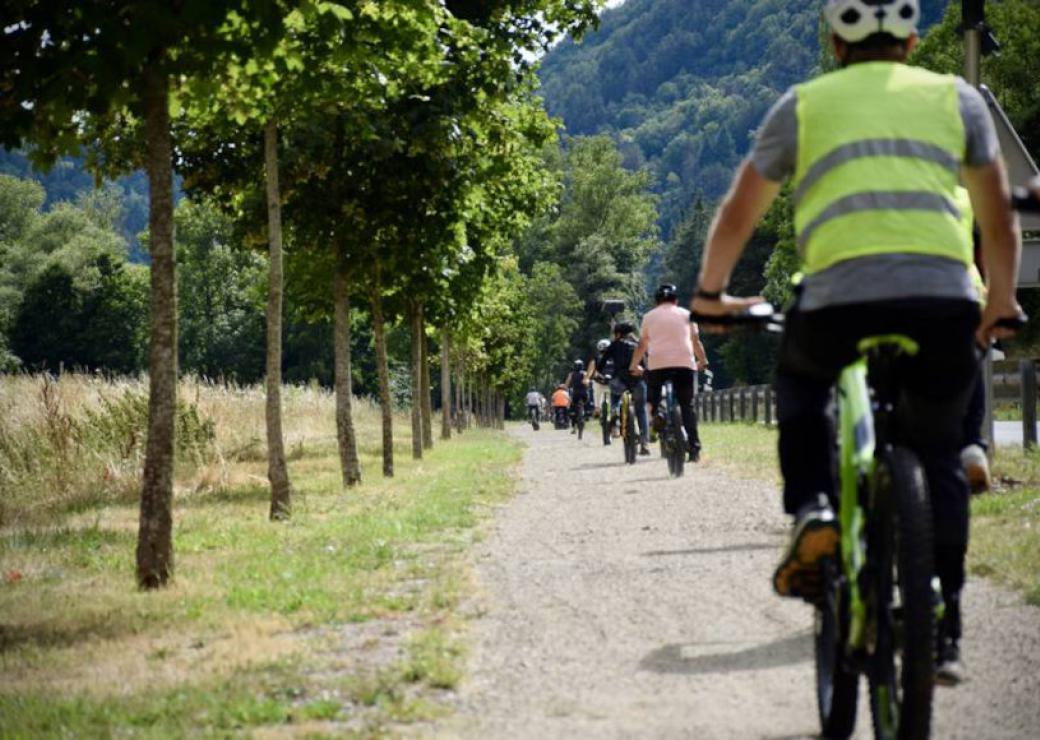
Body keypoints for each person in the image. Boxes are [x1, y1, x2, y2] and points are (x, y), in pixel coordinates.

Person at [690, 0, 1022, 685]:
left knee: (803, 385)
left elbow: (737, 213)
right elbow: (997, 219)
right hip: (943, 298)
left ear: (835, 44)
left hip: (837, 295)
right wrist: (1000, 303)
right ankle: (945, 628)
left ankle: (814, 507)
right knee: (938, 454)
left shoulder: (803, 104)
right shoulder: (956, 99)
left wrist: (711, 297)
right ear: (911, 39)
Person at [630, 283, 709, 462]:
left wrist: (634, 365)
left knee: (653, 398)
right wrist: (702, 361)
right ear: (676, 299)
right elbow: (696, 342)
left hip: (657, 364)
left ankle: (657, 416)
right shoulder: (687, 315)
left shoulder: (649, 317)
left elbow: (642, 345)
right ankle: (694, 448)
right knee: (687, 406)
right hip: (684, 364)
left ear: (657, 300)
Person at [599, 321, 651, 454]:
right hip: (636, 381)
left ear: (617, 334)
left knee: (615, 396)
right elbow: (645, 365)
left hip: (619, 380)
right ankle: (644, 442)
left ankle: (615, 411)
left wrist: (603, 373)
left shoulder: (613, 346)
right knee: (641, 411)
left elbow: (601, 365)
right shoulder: (637, 345)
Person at [565, 359, 589, 433]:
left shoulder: (571, 374)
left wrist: (567, 387)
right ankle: (585, 414)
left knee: (573, 410)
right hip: (584, 394)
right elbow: (587, 384)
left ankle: (574, 427)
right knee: (587, 405)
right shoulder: (585, 373)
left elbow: (566, 384)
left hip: (575, 394)